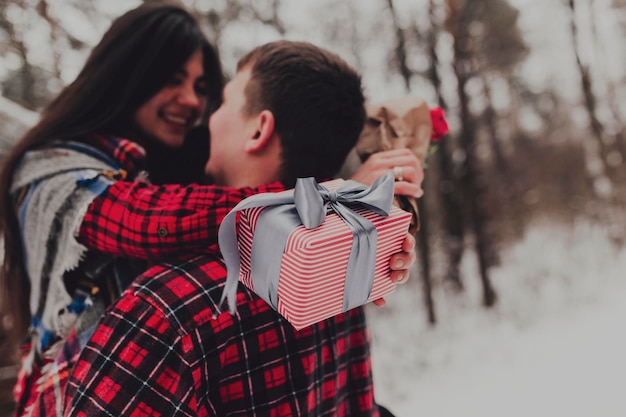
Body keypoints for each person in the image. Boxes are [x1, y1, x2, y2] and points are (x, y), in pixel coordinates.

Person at [0, 4, 422, 417]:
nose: (192, 102)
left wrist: (361, 230)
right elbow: (142, 220)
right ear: (126, 74)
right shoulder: (50, 168)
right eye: (172, 80)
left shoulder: (187, 171)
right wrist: (331, 202)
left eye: (204, 90)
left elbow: (305, 122)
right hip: (66, 388)